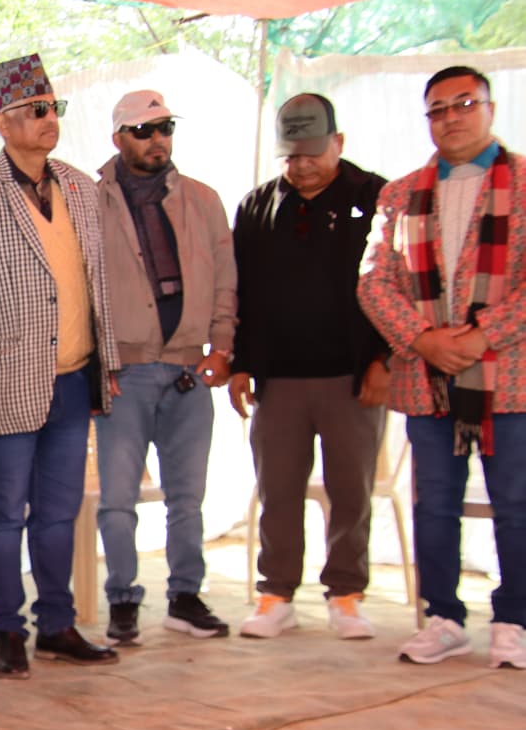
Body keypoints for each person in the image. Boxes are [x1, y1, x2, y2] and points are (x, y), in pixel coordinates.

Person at [0, 53, 122, 677]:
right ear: (2, 122)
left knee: (60, 513)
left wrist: (108, 362)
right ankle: (6, 631)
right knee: (3, 513)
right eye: (36, 109)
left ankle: (57, 625)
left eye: (53, 107)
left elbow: (98, 283)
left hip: (73, 378)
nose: (49, 119)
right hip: (3, 382)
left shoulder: (82, 187)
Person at [359, 66, 526, 669]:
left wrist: (483, 336)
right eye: (438, 109)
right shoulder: (400, 194)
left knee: (517, 505)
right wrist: (422, 339)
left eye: (464, 104)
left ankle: (514, 620)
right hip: (426, 379)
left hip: (510, 379)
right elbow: (374, 281)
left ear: (490, 108)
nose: (451, 117)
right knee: (434, 505)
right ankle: (444, 618)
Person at [232, 93, 389, 640]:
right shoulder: (256, 206)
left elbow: (397, 285)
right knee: (277, 490)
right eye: (291, 156)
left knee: (351, 490)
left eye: (313, 154)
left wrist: (384, 360)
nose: (301, 166)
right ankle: (276, 595)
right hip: (278, 380)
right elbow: (241, 292)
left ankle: (346, 594)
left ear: (338, 143)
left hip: (353, 376)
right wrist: (240, 364)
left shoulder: (376, 197)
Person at [93, 90, 236, 645]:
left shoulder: (203, 200)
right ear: (118, 138)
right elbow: (81, 288)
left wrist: (221, 347)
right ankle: (122, 600)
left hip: (188, 371)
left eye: (165, 127)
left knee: (187, 498)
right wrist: (99, 363)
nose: (157, 140)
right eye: (143, 130)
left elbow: (225, 279)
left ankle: (185, 596)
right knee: (117, 501)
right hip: (123, 373)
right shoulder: (90, 200)